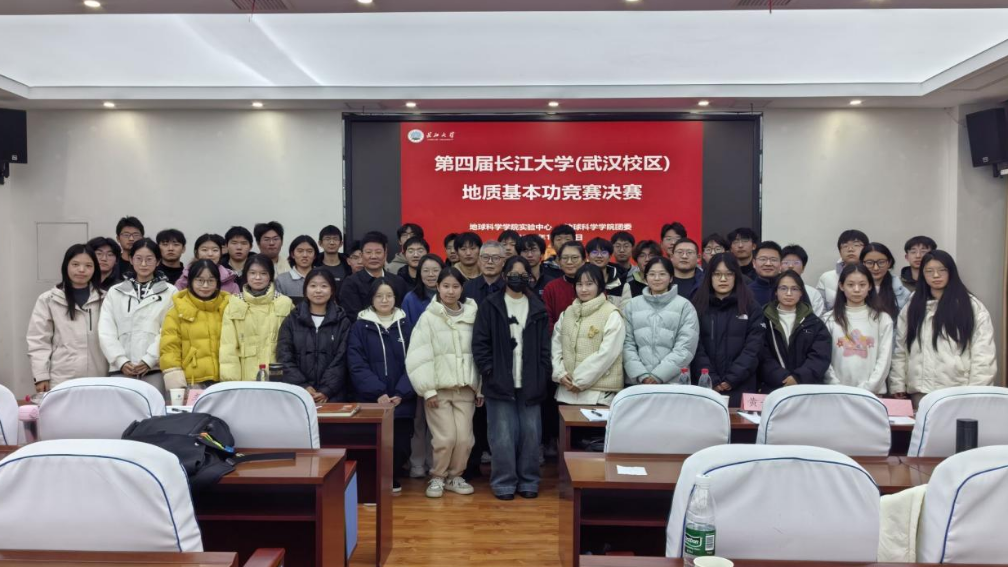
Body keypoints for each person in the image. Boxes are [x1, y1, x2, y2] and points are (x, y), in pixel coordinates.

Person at [472, 256, 551, 500]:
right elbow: (480, 343)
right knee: (502, 437)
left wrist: (543, 373)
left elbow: (545, 348)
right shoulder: (490, 305)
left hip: (531, 382)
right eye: (514, 274)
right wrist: (489, 371)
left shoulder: (537, 306)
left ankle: (529, 481)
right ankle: (504, 483)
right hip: (499, 382)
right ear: (505, 276)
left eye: (523, 274)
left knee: (531, 435)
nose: (518, 278)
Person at [405, 266, 482, 499]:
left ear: (462, 289)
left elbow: (480, 353)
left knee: (465, 439)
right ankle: (438, 477)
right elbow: (418, 355)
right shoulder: (428, 318)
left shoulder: (474, 315)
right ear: (437, 287)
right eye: (445, 286)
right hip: (438, 391)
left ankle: (455, 476)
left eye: (455, 286)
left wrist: (480, 387)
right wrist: (427, 390)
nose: (450, 291)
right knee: (445, 438)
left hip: (466, 389)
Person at [889, 250, 996, 406]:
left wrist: (975, 393)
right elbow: (900, 349)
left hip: (958, 392)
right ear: (922, 274)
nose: (936, 275)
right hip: (920, 392)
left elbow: (983, 355)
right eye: (929, 271)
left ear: (951, 272)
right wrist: (897, 383)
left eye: (942, 270)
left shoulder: (971, 307)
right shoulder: (913, 305)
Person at [348, 277, 416, 492]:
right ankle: (372, 482)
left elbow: (416, 361)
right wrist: (378, 392)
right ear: (371, 299)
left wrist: (401, 393)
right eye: (379, 296)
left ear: (396, 298)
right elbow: (356, 364)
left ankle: (391, 477)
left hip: (401, 399)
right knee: (372, 443)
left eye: (389, 295)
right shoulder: (360, 326)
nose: (384, 300)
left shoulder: (407, 325)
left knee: (401, 445)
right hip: (372, 400)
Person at [98, 238, 175, 396]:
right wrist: (121, 360)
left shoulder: (170, 292)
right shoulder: (115, 291)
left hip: (154, 370)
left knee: (153, 409)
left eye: (149, 259)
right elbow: (106, 330)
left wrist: (149, 359)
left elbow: (169, 331)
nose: (144, 264)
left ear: (158, 261)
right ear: (131, 260)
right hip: (121, 370)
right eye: (139, 259)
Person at [27, 244, 108, 392]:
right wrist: (41, 376)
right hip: (61, 378)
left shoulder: (106, 299)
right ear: (66, 266)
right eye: (75, 264)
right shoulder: (49, 299)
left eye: (88, 265)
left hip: (99, 376)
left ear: (95, 269)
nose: (81, 270)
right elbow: (38, 341)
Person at [691, 253, 764, 406]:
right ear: (709, 277)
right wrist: (710, 378)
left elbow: (753, 348)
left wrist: (732, 378)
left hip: (742, 384)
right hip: (705, 385)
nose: (723, 279)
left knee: (740, 421)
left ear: (736, 276)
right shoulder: (697, 306)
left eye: (729, 274)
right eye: (717, 274)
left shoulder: (751, 307)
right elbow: (695, 347)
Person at [551, 264, 625, 406]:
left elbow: (608, 353)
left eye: (589, 284)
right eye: (579, 284)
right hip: (566, 392)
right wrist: (560, 373)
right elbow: (556, 346)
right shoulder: (567, 313)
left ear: (600, 285)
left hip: (598, 394)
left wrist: (580, 381)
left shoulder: (611, 313)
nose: (584, 289)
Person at [276, 269, 352, 403]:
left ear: (332, 290)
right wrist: (303, 386)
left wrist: (326, 390)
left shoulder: (342, 322)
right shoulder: (292, 320)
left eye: (324, 286)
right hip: (298, 395)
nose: (318, 290)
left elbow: (342, 359)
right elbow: (284, 356)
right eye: (313, 286)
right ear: (305, 290)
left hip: (333, 396)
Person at [624, 256, 700, 387]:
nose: (657, 278)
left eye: (662, 274)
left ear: (671, 278)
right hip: (638, 383)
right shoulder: (632, 305)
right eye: (652, 274)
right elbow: (626, 343)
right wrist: (642, 375)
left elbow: (685, 347)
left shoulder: (684, 306)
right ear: (645, 278)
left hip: (673, 382)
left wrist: (659, 375)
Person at [401, 253, 445, 478]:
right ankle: (417, 462)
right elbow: (407, 332)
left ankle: (434, 462)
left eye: (435, 270)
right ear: (419, 274)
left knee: (439, 419)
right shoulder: (411, 298)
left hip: (444, 365)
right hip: (420, 364)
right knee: (419, 419)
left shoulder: (449, 295)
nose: (430, 275)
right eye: (425, 270)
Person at [218, 254, 294, 381]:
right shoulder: (235, 304)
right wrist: (232, 382)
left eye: (263, 273)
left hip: (278, 376)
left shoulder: (284, 303)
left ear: (270, 275)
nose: (258, 277)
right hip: (244, 377)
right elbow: (228, 348)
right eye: (252, 273)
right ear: (246, 275)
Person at [822, 263, 893, 394]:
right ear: (841, 286)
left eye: (862, 284)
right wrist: (836, 386)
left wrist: (870, 387)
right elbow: (823, 357)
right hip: (836, 392)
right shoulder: (829, 319)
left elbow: (885, 358)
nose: (856, 289)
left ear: (870, 286)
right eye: (850, 285)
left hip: (873, 393)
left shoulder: (882, 319)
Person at [160, 259, 231, 389]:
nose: (205, 285)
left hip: (225, 380)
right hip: (192, 382)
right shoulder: (177, 311)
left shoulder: (229, 307)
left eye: (211, 280)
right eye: (199, 280)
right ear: (191, 281)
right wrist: (177, 385)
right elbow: (170, 349)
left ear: (217, 282)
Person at [758, 270, 831, 393]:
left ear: (801, 292)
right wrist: (782, 378)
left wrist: (798, 378)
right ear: (775, 291)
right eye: (783, 288)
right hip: (772, 388)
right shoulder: (763, 320)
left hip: (807, 389)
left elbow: (820, 356)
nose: (788, 293)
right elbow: (761, 354)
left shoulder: (814, 323)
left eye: (794, 289)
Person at [339, 231, 409, 322]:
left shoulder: (398, 282)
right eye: (368, 252)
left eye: (378, 252)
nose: (373, 256)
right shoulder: (351, 283)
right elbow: (353, 316)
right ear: (362, 255)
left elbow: (403, 313)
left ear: (385, 254)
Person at [816, 229, 869, 310]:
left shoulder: (875, 274)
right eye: (845, 246)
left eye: (856, 245)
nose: (850, 249)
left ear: (866, 249)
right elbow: (820, 310)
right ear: (840, 252)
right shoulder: (826, 278)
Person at [174, 234, 240, 295]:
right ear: (196, 253)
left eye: (215, 250)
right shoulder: (183, 282)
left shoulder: (230, 281)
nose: (210, 254)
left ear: (220, 253)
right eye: (204, 250)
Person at [861, 242, 911, 323]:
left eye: (881, 262)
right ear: (862, 263)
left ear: (889, 263)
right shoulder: (854, 290)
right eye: (869, 263)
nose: (876, 268)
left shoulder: (903, 293)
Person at [543, 242, 586, 327]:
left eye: (574, 258)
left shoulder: (595, 285)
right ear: (559, 261)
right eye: (565, 258)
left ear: (584, 260)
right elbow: (547, 320)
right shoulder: (551, 288)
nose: (569, 262)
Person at [780, 244, 827, 317]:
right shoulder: (773, 290)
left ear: (803, 268)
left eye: (796, 263)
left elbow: (816, 320)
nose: (791, 266)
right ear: (779, 266)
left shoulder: (813, 294)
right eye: (786, 262)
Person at [274, 235, 321, 300]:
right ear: (292, 254)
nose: (305, 255)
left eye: (309, 251)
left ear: (315, 255)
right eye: (300, 251)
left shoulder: (324, 277)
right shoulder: (281, 280)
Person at [584, 237, 626, 308]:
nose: (599, 256)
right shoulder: (580, 277)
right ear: (588, 256)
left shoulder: (621, 279)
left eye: (604, 252)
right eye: (594, 252)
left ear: (610, 256)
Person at [463, 241, 506, 305]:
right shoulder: (467, 287)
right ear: (479, 260)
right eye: (485, 257)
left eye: (495, 258)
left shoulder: (509, 288)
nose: (490, 262)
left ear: (503, 262)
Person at [519, 234, 561, 299]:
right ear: (519, 254)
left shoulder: (551, 282)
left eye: (534, 250)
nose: (529, 255)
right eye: (525, 250)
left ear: (542, 254)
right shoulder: (514, 280)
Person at [747, 241, 783, 306]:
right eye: (763, 259)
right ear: (754, 263)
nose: (768, 264)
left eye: (773, 260)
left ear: (781, 264)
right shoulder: (746, 292)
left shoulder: (790, 290)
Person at [318, 225, 352, 292]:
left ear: (341, 243)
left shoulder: (349, 265)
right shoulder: (314, 265)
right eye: (327, 239)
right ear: (320, 243)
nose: (332, 243)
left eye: (335, 239)